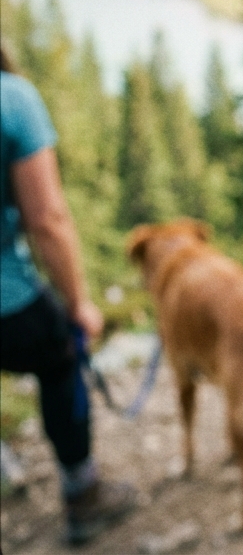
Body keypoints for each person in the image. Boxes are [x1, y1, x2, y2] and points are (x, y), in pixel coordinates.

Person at [0, 44, 136, 545]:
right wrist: (79, 304)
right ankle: (83, 495)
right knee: (59, 358)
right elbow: (48, 221)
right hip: (7, 300)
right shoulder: (12, 99)